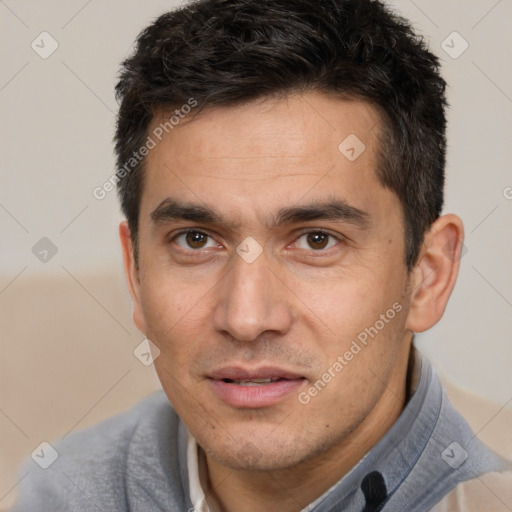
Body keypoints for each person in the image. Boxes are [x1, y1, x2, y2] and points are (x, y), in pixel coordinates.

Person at [12, 0, 512, 510]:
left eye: (317, 240)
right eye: (196, 240)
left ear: (428, 276)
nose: (246, 318)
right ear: (136, 274)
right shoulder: (48, 493)